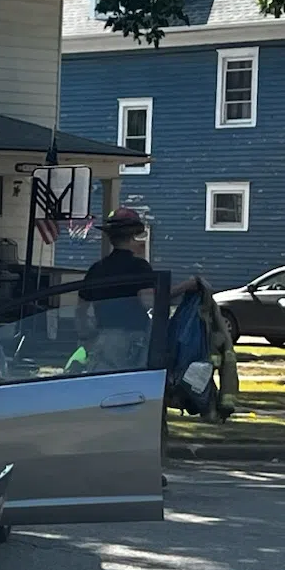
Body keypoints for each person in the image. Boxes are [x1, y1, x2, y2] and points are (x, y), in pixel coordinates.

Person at [79, 208, 200, 487]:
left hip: (101, 342)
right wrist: (186, 287)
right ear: (134, 235)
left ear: (110, 237)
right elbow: (150, 303)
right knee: (138, 403)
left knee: (100, 403)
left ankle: (99, 465)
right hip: (133, 343)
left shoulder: (97, 269)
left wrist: (86, 337)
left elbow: (82, 308)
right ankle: (144, 470)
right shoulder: (139, 268)